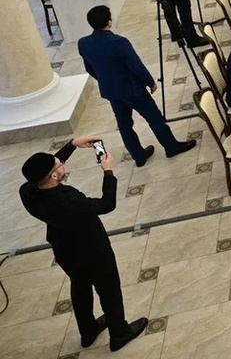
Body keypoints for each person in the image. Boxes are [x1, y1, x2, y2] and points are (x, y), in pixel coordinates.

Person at [20, 138, 148, 352]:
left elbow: (50, 168)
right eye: (58, 164)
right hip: (93, 250)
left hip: (64, 250)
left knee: (80, 286)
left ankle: (88, 331)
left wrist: (72, 144)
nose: (61, 163)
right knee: (109, 290)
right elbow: (107, 204)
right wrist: (108, 171)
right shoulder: (70, 201)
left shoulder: (28, 192)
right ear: (54, 176)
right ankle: (119, 333)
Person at [77, 5, 196, 166]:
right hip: (132, 90)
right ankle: (171, 146)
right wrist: (150, 82)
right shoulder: (119, 42)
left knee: (124, 124)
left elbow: (89, 68)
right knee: (154, 118)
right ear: (109, 22)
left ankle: (138, 155)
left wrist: (106, 80)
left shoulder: (83, 43)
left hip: (111, 91)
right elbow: (135, 65)